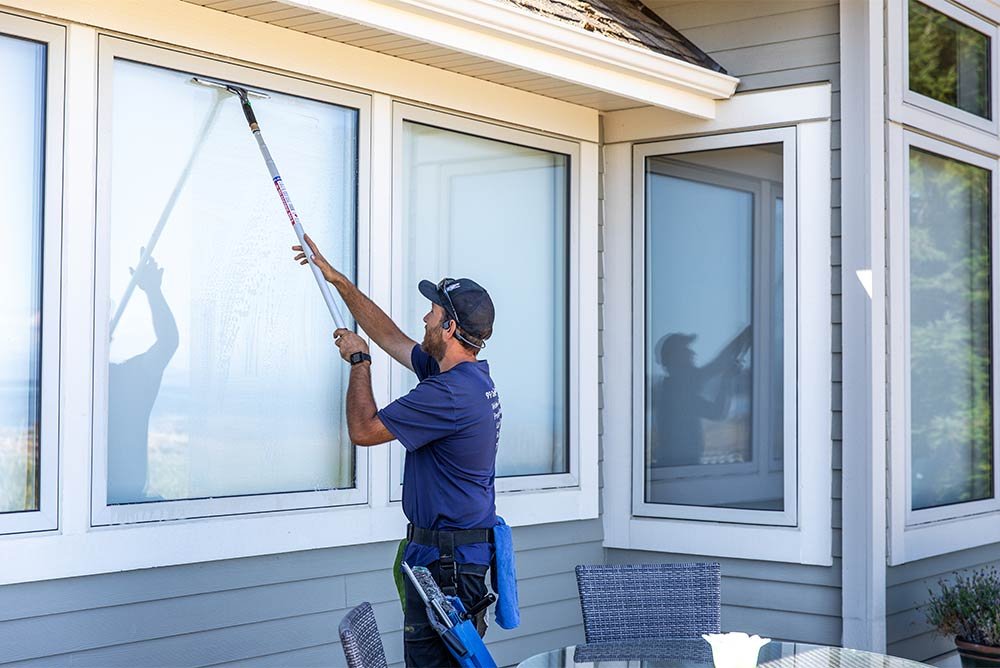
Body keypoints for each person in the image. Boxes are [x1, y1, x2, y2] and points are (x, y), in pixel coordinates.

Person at [292, 235, 501, 668]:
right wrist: (339, 282)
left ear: (449, 329)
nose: (424, 318)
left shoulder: (447, 396)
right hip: (454, 558)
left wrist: (359, 362)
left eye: (434, 312)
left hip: (449, 570)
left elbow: (364, 431)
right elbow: (389, 336)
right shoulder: (467, 377)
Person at [108, 250, 178, 503]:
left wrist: (153, 292)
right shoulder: (64, 387)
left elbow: (168, 342)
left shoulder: (126, 379)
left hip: (129, 511)